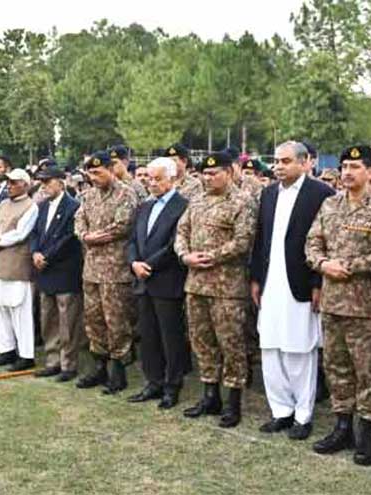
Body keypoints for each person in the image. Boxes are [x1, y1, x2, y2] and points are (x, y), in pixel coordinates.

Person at [306, 145, 371, 466]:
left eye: (355, 166)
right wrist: (324, 263)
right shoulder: (330, 204)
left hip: (365, 306)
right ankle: (342, 427)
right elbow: (312, 242)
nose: (346, 172)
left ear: (370, 171)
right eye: (344, 166)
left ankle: (366, 433)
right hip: (332, 301)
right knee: (336, 367)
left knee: (367, 370)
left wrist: (349, 265)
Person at [252, 141, 335, 440]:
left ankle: (303, 414)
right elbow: (260, 239)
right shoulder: (269, 193)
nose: (278, 166)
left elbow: (325, 241)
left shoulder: (321, 194)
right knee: (271, 347)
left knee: (299, 349)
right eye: (276, 161)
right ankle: (281, 411)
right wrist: (256, 278)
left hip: (301, 282)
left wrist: (318, 283)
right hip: (270, 281)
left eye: (286, 161)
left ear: (305, 163)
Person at [175, 151, 257, 428]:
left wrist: (211, 256)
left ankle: (233, 401)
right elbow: (181, 232)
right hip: (196, 284)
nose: (208, 178)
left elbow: (242, 241)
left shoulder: (243, 202)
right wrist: (185, 255)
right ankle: (210, 396)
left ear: (230, 173)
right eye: (205, 174)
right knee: (202, 341)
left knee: (231, 344)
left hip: (226, 287)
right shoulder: (196, 201)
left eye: (214, 173)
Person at [126, 157, 191, 409]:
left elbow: (174, 244)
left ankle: (172, 386)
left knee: (169, 336)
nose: (151, 183)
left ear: (172, 179)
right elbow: (132, 240)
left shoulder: (183, 206)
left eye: (157, 178)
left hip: (165, 279)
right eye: (149, 178)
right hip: (142, 280)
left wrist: (147, 265)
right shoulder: (144, 206)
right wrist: (134, 263)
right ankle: (153, 382)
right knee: (148, 335)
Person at [74, 151, 140, 394]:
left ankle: (118, 370)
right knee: (93, 319)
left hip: (115, 269)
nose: (94, 177)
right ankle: (99, 366)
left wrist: (95, 236)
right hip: (91, 268)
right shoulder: (88, 196)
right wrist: (85, 235)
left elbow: (123, 225)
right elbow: (79, 221)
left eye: (98, 172)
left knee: (116, 321)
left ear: (112, 170)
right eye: (90, 173)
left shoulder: (126, 193)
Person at [30, 166, 84, 382]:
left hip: (63, 270)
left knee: (67, 321)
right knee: (48, 318)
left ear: (61, 182)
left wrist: (47, 256)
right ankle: (52, 361)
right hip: (44, 270)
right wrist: (35, 252)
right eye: (41, 182)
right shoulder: (42, 206)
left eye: (47, 181)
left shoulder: (73, 206)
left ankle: (68, 364)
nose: (43, 186)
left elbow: (69, 237)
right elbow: (35, 233)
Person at [0, 168, 39, 371]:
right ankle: (6, 350)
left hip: (16, 262)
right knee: (0, 306)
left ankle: (26, 355)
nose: (10, 186)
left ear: (25, 184)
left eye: (14, 182)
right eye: (8, 182)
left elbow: (21, 233)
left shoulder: (31, 206)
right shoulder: (3, 204)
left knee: (19, 309)